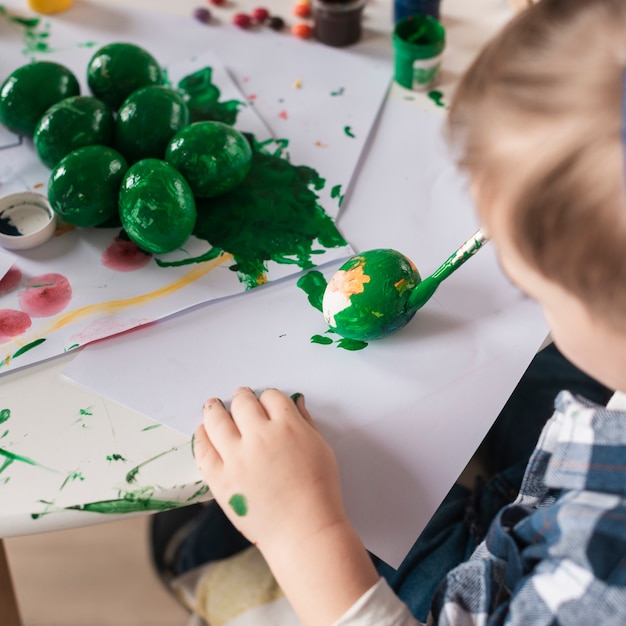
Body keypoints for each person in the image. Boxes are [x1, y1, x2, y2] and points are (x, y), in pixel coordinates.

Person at [152, 0, 626, 623]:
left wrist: (306, 531)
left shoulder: (597, 583)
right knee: (535, 372)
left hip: (491, 587)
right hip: (565, 480)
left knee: (225, 525)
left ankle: (197, 551)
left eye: (533, 286)